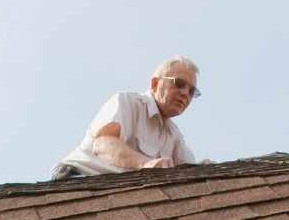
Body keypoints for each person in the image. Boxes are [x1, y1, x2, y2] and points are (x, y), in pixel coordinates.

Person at [51, 57, 201, 180]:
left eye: (191, 91)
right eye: (179, 84)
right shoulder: (126, 102)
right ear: (155, 84)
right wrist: (146, 164)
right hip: (77, 180)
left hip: (117, 193)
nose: (185, 94)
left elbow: (189, 172)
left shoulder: (174, 136)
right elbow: (103, 144)